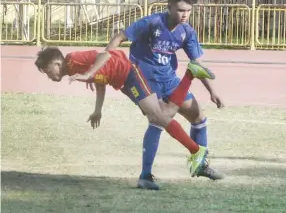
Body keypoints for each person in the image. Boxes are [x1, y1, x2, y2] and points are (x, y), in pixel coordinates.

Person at [103, 0, 224, 190]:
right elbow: (120, 36)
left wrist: (212, 91)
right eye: (180, 10)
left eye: (188, 10)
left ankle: (200, 164)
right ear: (169, 7)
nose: (185, 15)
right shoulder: (152, 23)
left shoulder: (187, 32)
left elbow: (197, 64)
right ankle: (145, 176)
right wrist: (105, 60)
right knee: (159, 120)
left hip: (169, 80)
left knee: (199, 117)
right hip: (144, 80)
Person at [34, 46, 216, 181]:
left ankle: (195, 149)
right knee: (161, 116)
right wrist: (98, 110)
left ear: (56, 63)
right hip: (124, 83)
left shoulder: (72, 60)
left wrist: (87, 73)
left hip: (130, 74)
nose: (48, 76)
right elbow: (100, 81)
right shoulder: (74, 69)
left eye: (47, 71)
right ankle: (188, 153)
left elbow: (104, 55)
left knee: (160, 117)